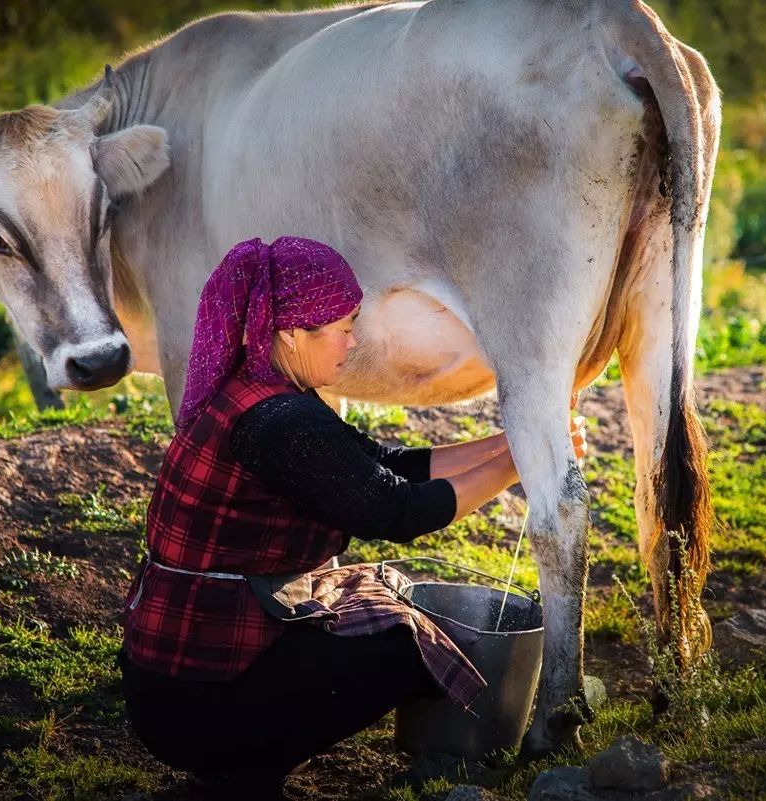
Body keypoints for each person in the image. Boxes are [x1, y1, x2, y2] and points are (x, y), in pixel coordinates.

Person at [118, 236, 587, 799]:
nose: (351, 340)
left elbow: (384, 464)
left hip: (176, 674)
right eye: (340, 327)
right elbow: (398, 510)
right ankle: (243, 771)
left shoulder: (262, 389)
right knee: (401, 646)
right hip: (194, 703)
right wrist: (519, 465)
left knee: (385, 610)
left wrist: (512, 441)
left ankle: (242, 757)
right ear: (292, 332)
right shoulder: (282, 424)